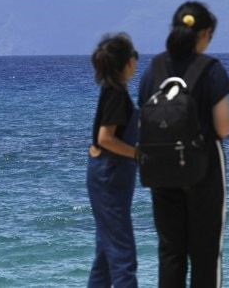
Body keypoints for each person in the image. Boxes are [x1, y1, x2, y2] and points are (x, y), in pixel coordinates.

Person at [138, 1, 229, 288]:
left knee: (171, 253)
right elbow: (222, 127)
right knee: (206, 254)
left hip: (160, 171)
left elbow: (142, 120)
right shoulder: (210, 69)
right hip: (203, 170)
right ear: (204, 33)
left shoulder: (153, 70)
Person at [87, 33, 140, 288]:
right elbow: (105, 138)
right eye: (134, 56)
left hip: (106, 176)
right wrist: (139, 154)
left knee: (106, 254)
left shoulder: (112, 91)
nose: (137, 61)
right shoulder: (117, 94)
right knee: (123, 255)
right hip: (110, 176)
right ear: (127, 62)